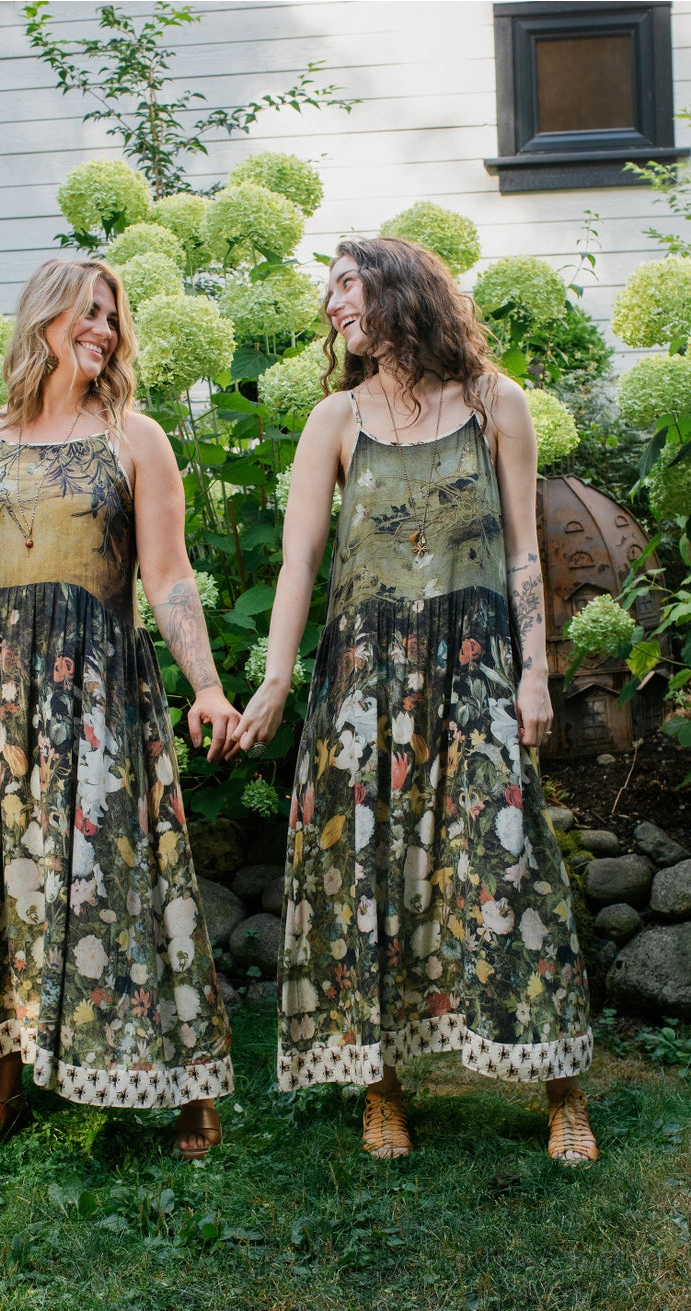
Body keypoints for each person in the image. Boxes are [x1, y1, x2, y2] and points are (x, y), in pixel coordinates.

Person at [233, 237, 597, 1164]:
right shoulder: (336, 421)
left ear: (400, 291)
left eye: (344, 286)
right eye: (328, 294)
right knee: (366, 875)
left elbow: (524, 548)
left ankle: (562, 1089)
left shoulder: (494, 404)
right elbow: (299, 561)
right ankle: (380, 1089)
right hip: (366, 680)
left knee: (508, 863)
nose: (330, 307)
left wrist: (534, 671)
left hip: (475, 673)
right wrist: (275, 681)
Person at [0, 257, 238, 1159]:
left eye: (113, 315)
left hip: (98, 695)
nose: (103, 327)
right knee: (5, 884)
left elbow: (168, 577)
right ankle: (6, 1078)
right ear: (44, 318)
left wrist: (206, 683)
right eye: (87, 312)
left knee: (125, 881)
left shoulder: (136, 438)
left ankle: (188, 1088)